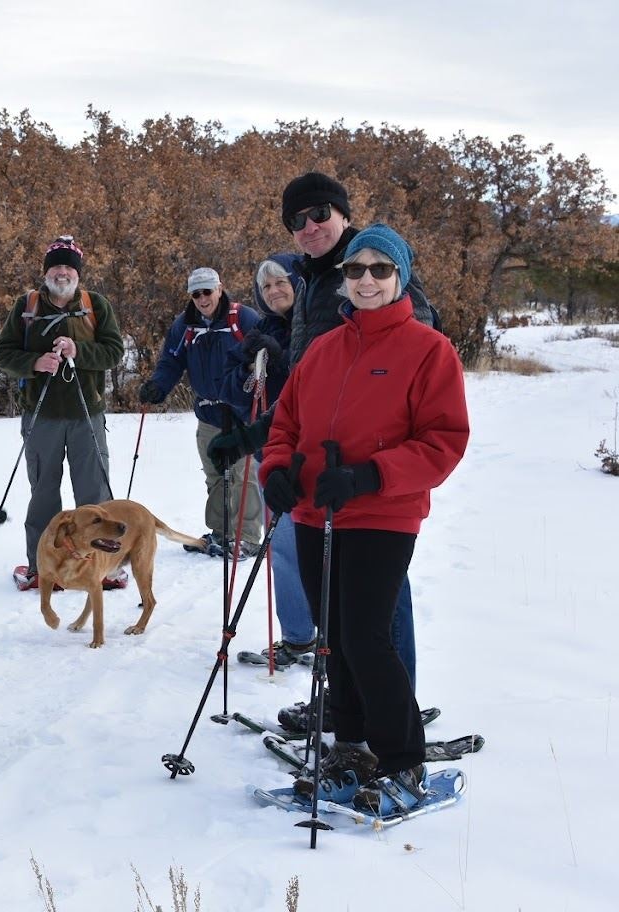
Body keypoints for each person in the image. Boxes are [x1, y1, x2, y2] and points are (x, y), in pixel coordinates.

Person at [259, 223, 468, 814]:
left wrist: (371, 475)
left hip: (383, 512)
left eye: (380, 269)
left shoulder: (429, 349)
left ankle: (404, 761)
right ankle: (349, 748)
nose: (366, 280)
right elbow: (286, 425)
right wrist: (277, 470)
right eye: (355, 270)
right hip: (313, 510)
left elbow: (444, 440)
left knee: (369, 637)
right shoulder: (325, 349)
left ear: (400, 276)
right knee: (334, 637)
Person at [209, 172, 436, 697]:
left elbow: (411, 356)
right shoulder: (310, 282)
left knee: (379, 597)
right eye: (297, 220)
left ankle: (394, 708)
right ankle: (346, 703)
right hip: (320, 466)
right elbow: (310, 391)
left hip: (373, 476)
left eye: (320, 215)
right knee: (338, 599)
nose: (309, 227)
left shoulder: (372, 268)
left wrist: (371, 468)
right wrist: (254, 439)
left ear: (342, 212)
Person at [0, 236, 126, 591]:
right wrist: (35, 362)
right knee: (44, 495)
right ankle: (43, 568)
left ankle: (102, 567)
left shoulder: (96, 305)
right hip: (41, 417)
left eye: (68, 266)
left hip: (88, 414)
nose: (62, 272)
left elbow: (114, 352)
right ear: (47, 272)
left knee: (94, 494)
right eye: (56, 266)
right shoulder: (28, 306)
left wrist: (77, 351)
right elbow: (3, 354)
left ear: (78, 272)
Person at [223, 255, 312, 664]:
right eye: (267, 287)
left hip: (312, 455)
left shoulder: (317, 323)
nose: (275, 291)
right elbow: (233, 389)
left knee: (323, 549)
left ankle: (336, 638)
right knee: (285, 548)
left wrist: (281, 358)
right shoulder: (260, 328)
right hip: (271, 456)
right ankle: (297, 636)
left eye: (281, 282)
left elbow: (315, 380)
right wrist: (246, 360)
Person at [139, 267, 263, 558]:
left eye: (207, 291)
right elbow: (170, 362)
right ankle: (221, 532)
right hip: (208, 412)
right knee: (215, 474)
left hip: (241, 411)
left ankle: (246, 535)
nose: (203, 298)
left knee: (243, 474)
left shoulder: (242, 319)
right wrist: (158, 386)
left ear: (219, 289)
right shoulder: (185, 326)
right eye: (196, 294)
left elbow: (265, 356)